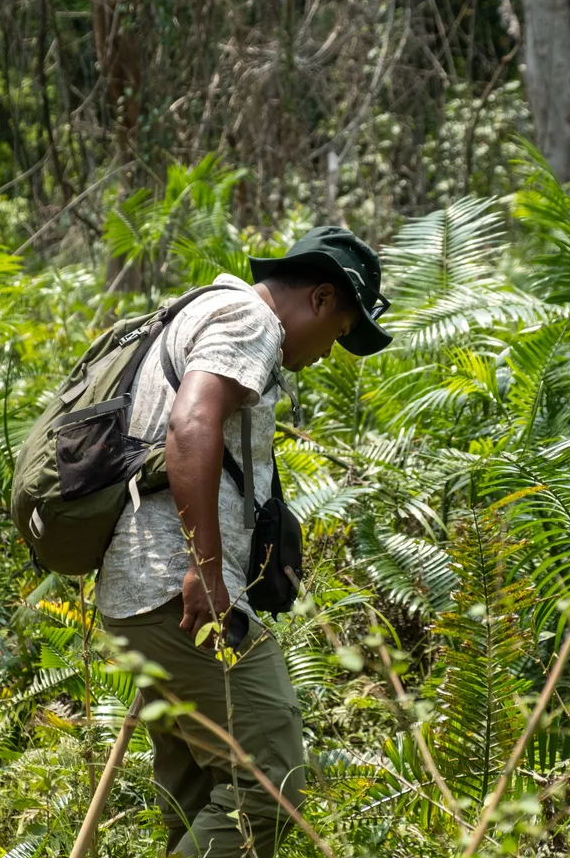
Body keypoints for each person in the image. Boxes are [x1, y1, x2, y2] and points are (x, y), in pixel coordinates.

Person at [99, 227, 393, 857]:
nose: (327, 353)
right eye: (340, 333)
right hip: (181, 595)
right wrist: (205, 570)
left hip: (143, 596)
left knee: (198, 797)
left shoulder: (197, 309)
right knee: (271, 784)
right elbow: (192, 420)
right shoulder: (250, 321)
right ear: (319, 299)